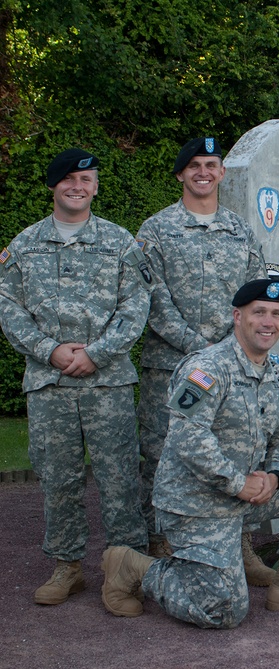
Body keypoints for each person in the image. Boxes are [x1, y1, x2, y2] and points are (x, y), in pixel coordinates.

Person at [100, 278, 279, 628]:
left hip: (243, 497)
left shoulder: (275, 374)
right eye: (258, 312)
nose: (268, 322)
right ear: (237, 316)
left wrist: (275, 476)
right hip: (195, 505)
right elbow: (188, 436)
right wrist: (237, 483)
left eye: (276, 314)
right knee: (223, 609)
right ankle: (136, 566)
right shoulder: (205, 369)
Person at [0, 148, 152, 605]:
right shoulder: (23, 246)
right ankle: (67, 567)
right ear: (53, 186)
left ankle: (125, 570)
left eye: (86, 178)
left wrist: (97, 354)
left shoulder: (122, 242)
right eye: (68, 178)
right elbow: (9, 310)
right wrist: (51, 351)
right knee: (58, 478)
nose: (77, 186)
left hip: (107, 383)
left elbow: (135, 306)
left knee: (120, 477)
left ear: (96, 185)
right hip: (50, 384)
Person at [136, 137, 268, 583]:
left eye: (211, 164)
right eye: (193, 165)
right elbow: (152, 297)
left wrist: (231, 350)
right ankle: (162, 546)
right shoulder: (155, 230)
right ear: (180, 174)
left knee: (237, 450)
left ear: (222, 173)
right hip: (171, 367)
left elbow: (254, 299)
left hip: (232, 370)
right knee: (161, 453)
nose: (203, 172)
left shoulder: (240, 230)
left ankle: (240, 544)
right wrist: (199, 348)